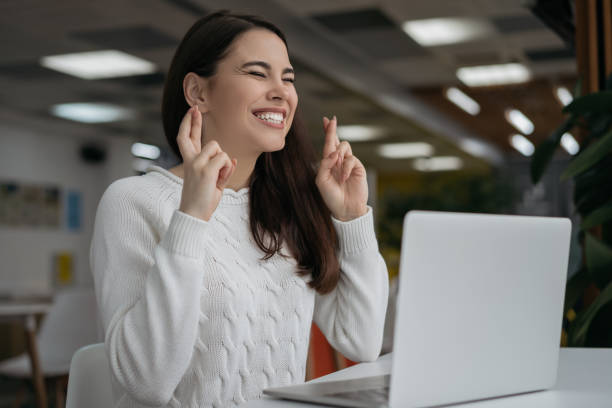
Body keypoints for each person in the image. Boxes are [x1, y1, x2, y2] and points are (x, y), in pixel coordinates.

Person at [90, 10, 389, 407]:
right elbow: (147, 383)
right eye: (257, 73)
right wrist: (191, 220)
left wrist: (353, 219)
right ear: (198, 92)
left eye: (288, 77)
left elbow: (361, 340)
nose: (281, 91)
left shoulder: (289, 206)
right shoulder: (132, 201)